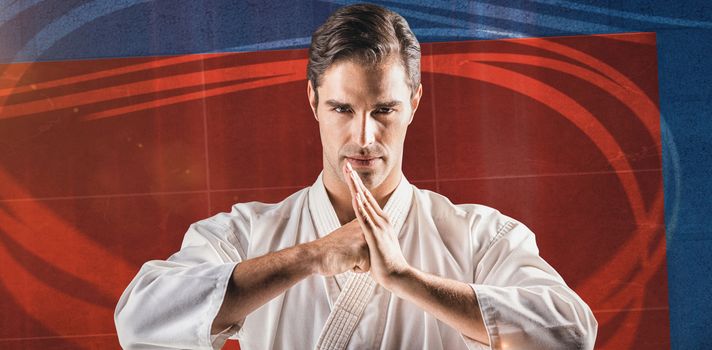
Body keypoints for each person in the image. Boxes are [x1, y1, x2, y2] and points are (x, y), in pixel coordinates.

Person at [114, 3, 597, 349]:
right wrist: (310, 256)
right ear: (312, 102)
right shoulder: (248, 234)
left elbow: (572, 334)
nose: (364, 136)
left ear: (415, 104)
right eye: (342, 108)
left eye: (384, 109)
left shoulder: (480, 237)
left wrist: (408, 279)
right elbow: (140, 319)